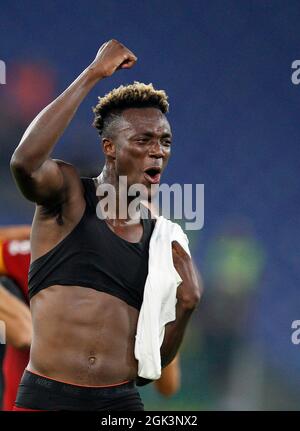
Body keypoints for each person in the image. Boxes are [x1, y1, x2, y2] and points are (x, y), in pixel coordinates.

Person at [10, 39, 201, 411]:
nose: (157, 151)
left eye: (165, 141)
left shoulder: (162, 240)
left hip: (120, 404)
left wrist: (187, 308)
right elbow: (24, 163)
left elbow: (150, 369)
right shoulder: (68, 195)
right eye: (143, 140)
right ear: (110, 147)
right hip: (46, 397)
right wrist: (93, 73)